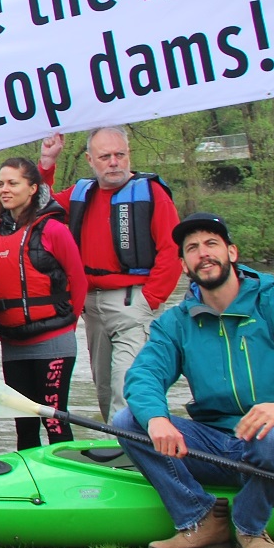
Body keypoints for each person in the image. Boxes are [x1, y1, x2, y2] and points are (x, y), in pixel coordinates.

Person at [115, 213, 274, 548]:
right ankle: (199, 518)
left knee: (273, 434)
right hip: (215, 446)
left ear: (232, 252)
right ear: (184, 265)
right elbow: (144, 376)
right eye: (193, 248)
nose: (204, 253)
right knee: (129, 421)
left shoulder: (273, 304)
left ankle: (249, 526)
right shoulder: (175, 323)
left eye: (212, 244)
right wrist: (156, 419)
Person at [38, 127, 182, 419]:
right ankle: (119, 455)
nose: (114, 162)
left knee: (127, 389)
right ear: (91, 160)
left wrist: (151, 298)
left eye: (120, 155)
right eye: (105, 156)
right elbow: (38, 206)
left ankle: (135, 458)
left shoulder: (151, 193)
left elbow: (172, 248)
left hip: (134, 302)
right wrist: (47, 164)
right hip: (92, 306)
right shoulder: (82, 193)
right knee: (104, 390)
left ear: (129, 155)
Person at [0, 158, 87, 449]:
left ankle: (65, 480)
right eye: (1, 183)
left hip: (54, 342)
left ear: (32, 188)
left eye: (13, 183)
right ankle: (31, 487)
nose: (5, 189)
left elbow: (78, 282)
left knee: (54, 422)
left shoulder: (54, 230)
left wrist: (68, 324)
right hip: (14, 345)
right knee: (24, 425)